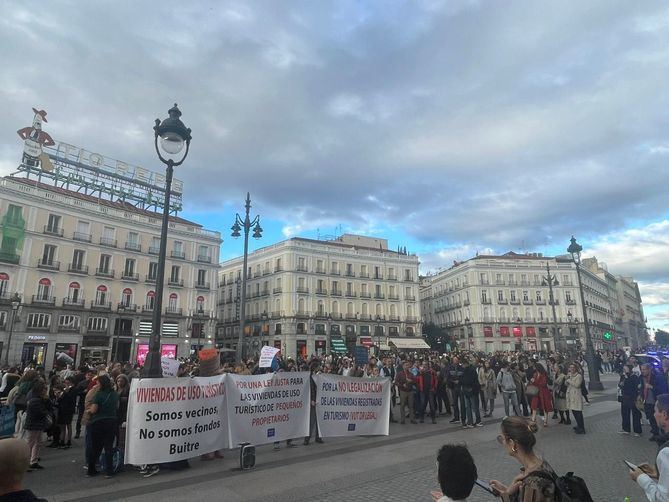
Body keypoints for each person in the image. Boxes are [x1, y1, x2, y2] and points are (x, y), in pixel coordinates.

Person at [490, 417, 558, 501]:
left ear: (512, 444)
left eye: (502, 439)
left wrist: (506, 496)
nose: (502, 443)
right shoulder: (541, 463)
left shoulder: (532, 484)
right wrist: (508, 491)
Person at [630, 393, 669, 500]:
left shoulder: (666, 451)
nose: (654, 414)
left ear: (664, 414)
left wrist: (641, 478)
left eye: (656, 411)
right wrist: (659, 472)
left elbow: (663, 499)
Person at [86, 374, 119, 478]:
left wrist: (89, 410)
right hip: (111, 421)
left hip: (98, 422)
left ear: (102, 383)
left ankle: (91, 470)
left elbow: (94, 409)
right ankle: (109, 471)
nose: (97, 384)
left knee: (95, 447)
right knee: (109, 446)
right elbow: (117, 406)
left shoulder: (98, 394)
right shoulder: (114, 394)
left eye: (98, 382)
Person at [641, 363, 666, 441]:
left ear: (649, 369)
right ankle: (655, 433)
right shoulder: (642, 378)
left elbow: (663, 389)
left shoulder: (657, 377)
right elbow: (642, 387)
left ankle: (664, 434)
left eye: (644, 369)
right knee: (651, 418)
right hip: (647, 401)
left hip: (656, 402)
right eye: (641, 369)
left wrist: (652, 387)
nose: (642, 371)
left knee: (659, 418)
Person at [618, 364, 642, 436]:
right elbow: (620, 385)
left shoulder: (634, 377)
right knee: (625, 413)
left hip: (632, 397)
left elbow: (637, 386)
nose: (624, 371)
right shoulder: (623, 377)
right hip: (624, 397)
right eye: (624, 369)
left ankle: (637, 431)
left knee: (635, 414)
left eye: (626, 369)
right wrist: (621, 384)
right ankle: (626, 429)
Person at [303, 362, 323, 445]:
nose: (320, 368)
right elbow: (310, 389)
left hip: (319, 400)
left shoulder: (319, 376)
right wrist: (311, 399)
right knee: (311, 420)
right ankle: (307, 438)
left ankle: (318, 437)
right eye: (318, 367)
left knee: (319, 421)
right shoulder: (310, 377)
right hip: (313, 401)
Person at [460, 358, 482, 428]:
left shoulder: (470, 370)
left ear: (465, 364)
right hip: (468, 390)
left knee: (473, 407)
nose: (462, 366)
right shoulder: (469, 370)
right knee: (469, 407)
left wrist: (461, 381)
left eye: (462, 365)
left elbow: (470, 381)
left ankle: (475, 421)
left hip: (471, 390)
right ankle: (471, 422)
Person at [395, 360, 417, 424]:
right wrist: (402, 385)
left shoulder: (411, 373)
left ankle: (412, 419)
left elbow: (415, 382)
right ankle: (402, 419)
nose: (407, 366)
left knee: (411, 405)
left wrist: (411, 381)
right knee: (402, 405)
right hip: (403, 391)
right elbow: (396, 382)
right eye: (406, 365)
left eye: (408, 365)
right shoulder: (400, 374)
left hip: (410, 391)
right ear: (403, 366)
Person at [566, 362, 585, 434]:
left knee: (578, 412)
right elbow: (566, 383)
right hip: (571, 395)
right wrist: (567, 379)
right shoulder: (570, 375)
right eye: (570, 368)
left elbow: (577, 385)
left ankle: (582, 428)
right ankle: (578, 425)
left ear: (576, 368)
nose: (571, 369)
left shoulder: (579, 376)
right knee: (574, 411)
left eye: (573, 368)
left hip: (576, 395)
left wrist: (569, 380)